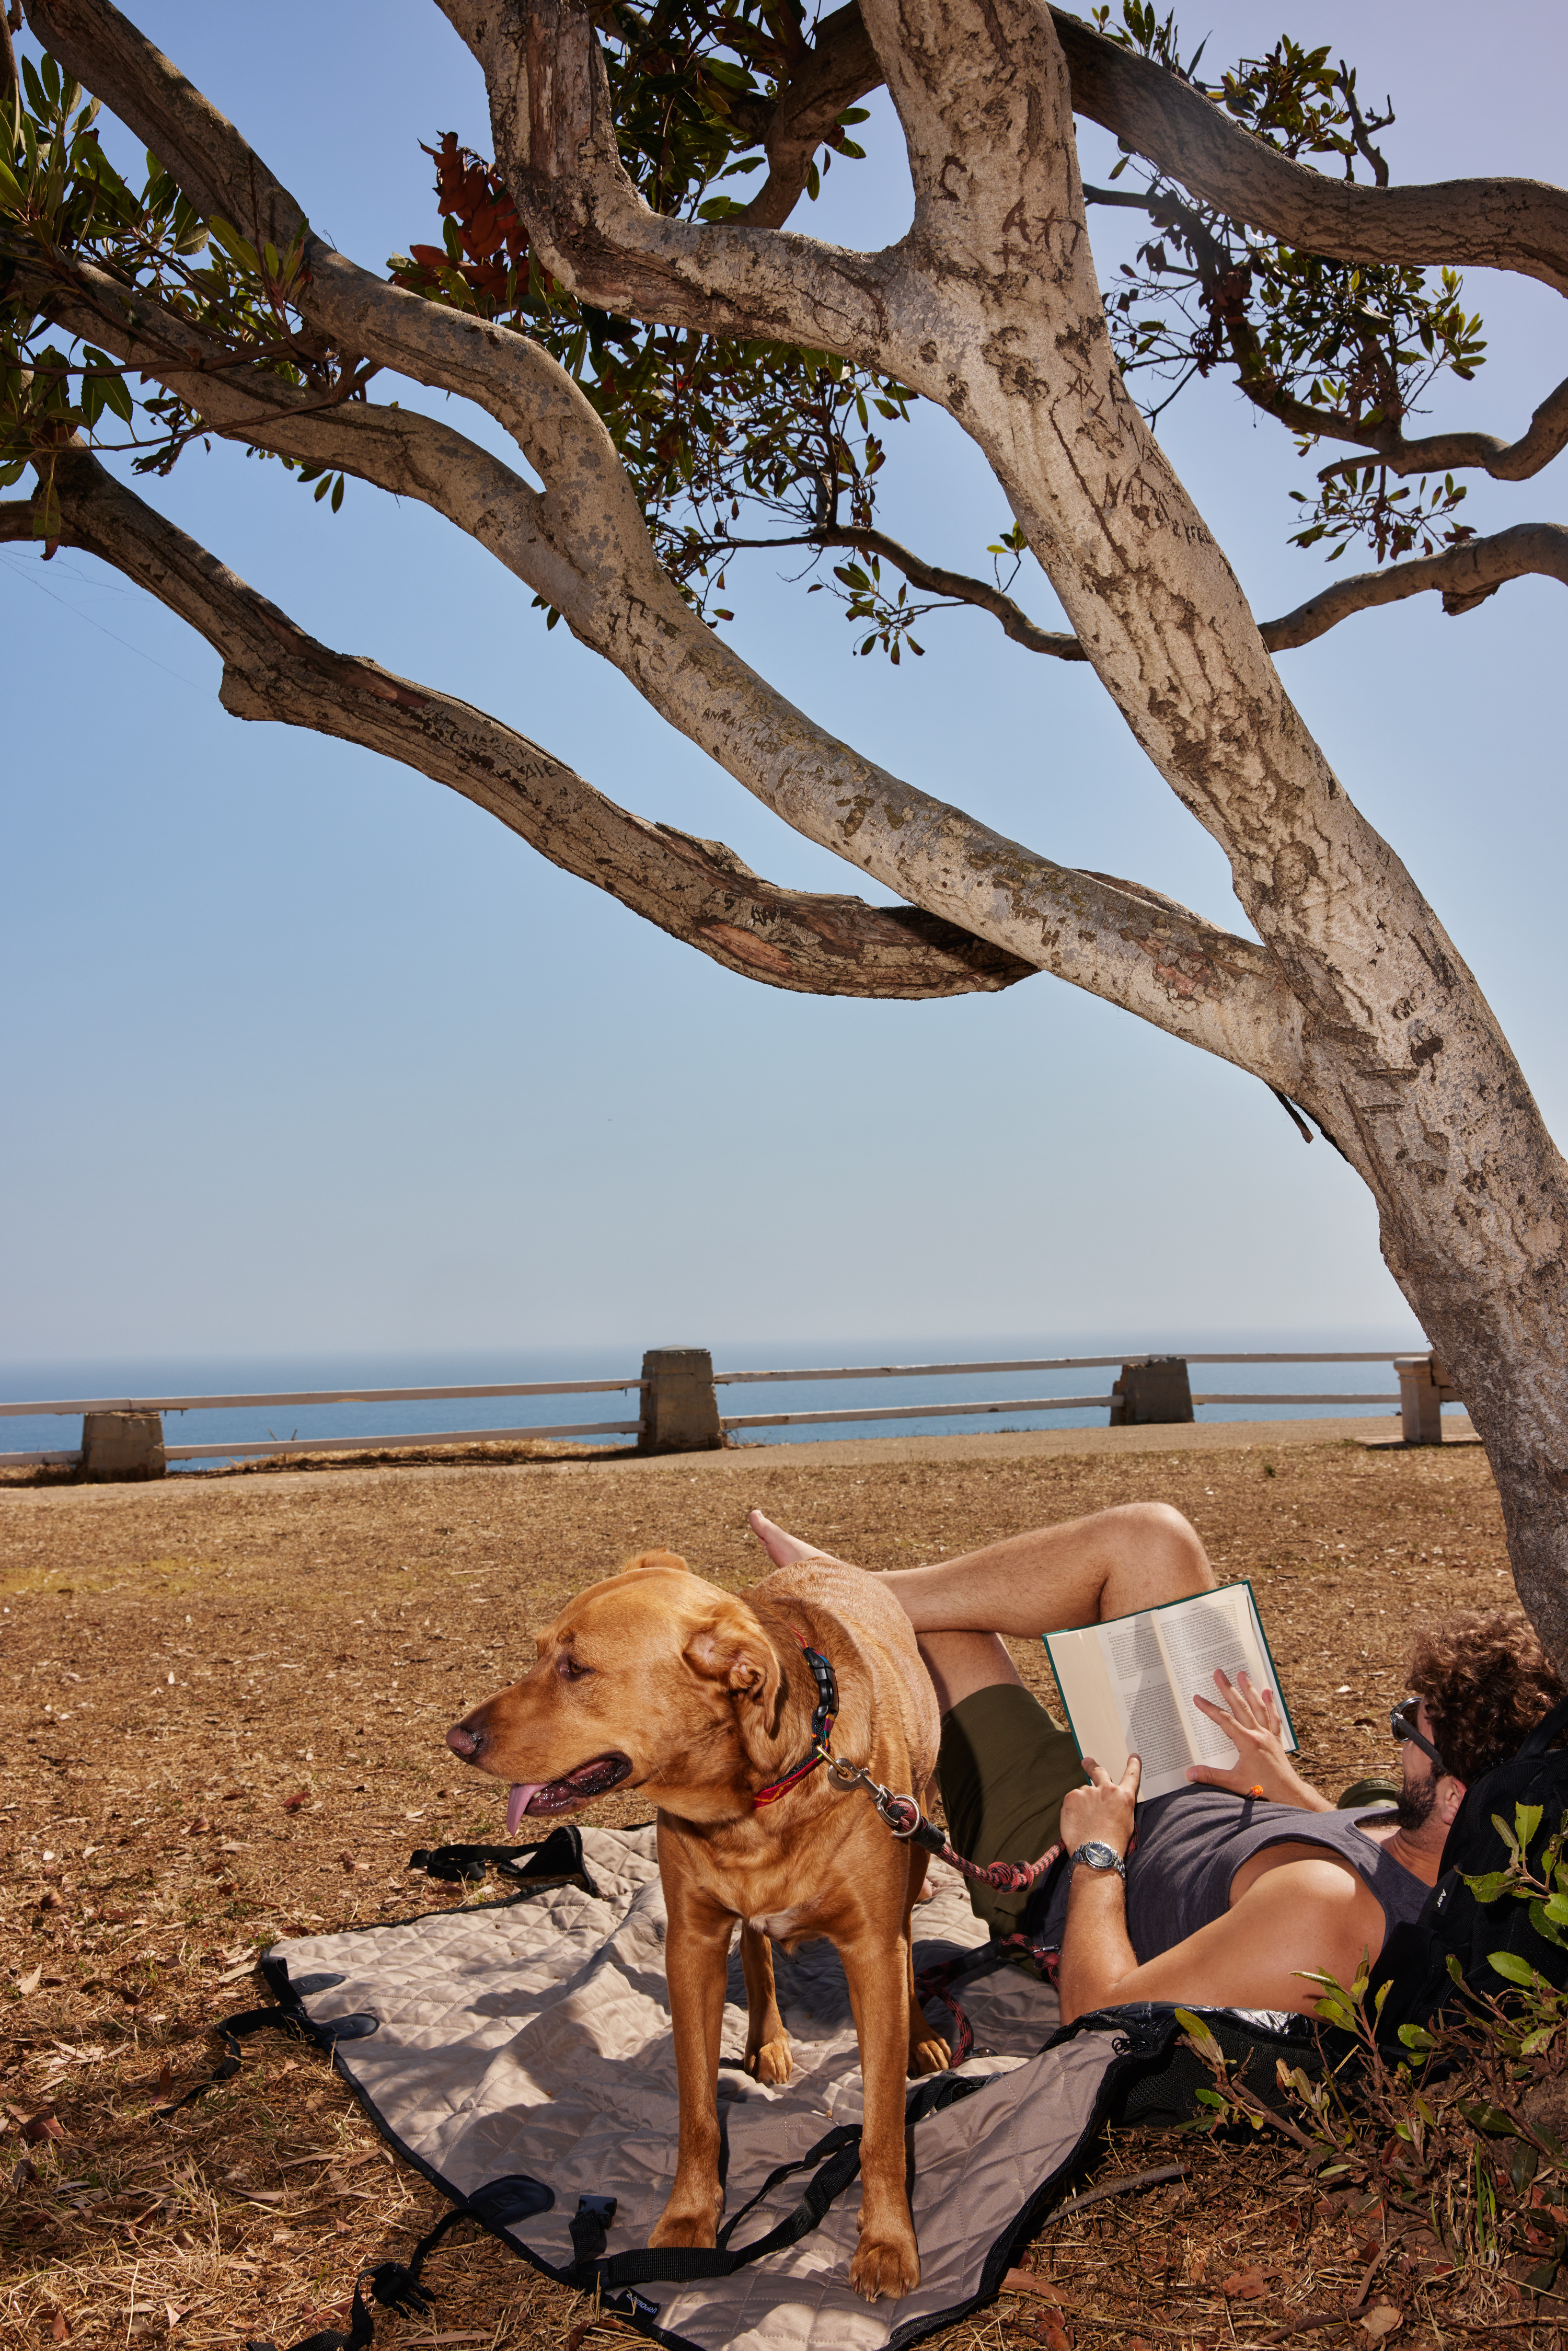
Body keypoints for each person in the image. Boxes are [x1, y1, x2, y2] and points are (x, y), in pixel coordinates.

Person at [747, 1503, 1564, 2024]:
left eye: (1406, 1729)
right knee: (1151, 1538)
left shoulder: (1328, 1914)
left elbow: (1098, 2010)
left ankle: (831, 1596)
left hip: (1072, 1845)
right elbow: (1377, 1852)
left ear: (1456, 1795)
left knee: (951, 1633)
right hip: (1199, 1780)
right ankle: (850, 1586)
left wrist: (1100, 1851)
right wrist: (1284, 1783)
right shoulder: (1445, 1842)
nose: (1395, 1736)